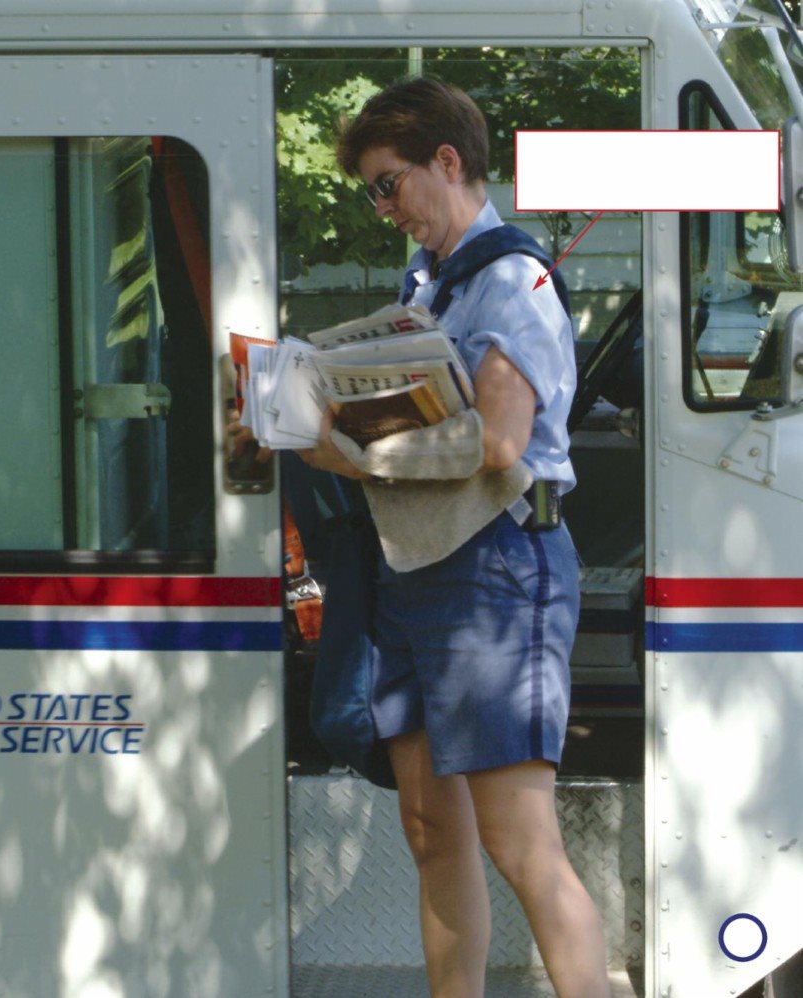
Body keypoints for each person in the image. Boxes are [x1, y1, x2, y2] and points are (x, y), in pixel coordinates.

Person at [297, 76, 611, 998]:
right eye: (371, 191)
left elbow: (499, 443)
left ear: (448, 161)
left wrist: (349, 453)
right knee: (434, 830)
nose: (384, 207)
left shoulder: (513, 278)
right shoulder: (428, 281)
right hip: (418, 563)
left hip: (500, 571)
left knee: (520, 840)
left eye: (389, 184)